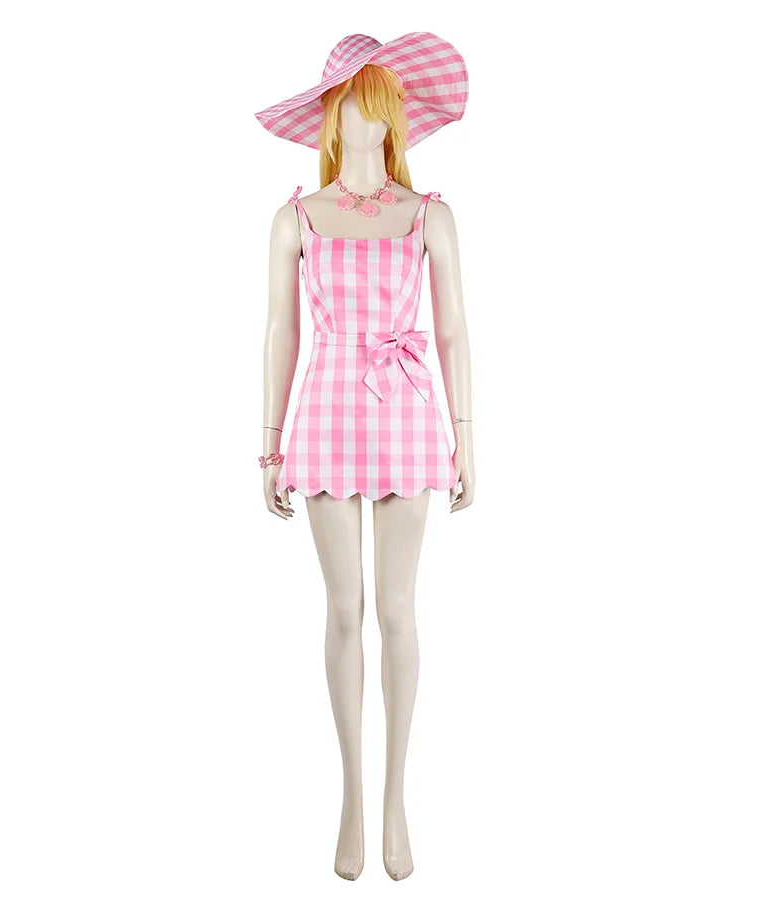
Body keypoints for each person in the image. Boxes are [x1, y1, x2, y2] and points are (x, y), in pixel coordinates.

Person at [256, 32, 475, 881]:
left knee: (398, 610)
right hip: (324, 412)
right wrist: (268, 446)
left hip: (409, 411)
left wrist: (466, 437)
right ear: (330, 113)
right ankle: (352, 796)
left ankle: (394, 802)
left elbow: (453, 330)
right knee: (344, 609)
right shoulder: (296, 218)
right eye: (352, 102)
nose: (366, 120)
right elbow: (281, 332)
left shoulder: (429, 216)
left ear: (394, 118)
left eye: (379, 104)